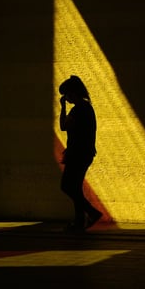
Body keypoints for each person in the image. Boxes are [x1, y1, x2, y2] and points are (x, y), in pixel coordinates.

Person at [58, 74, 103, 232]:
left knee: (67, 186)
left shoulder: (79, 110)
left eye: (67, 94)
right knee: (75, 187)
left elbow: (63, 126)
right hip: (84, 153)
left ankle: (91, 212)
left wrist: (63, 108)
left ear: (74, 92)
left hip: (78, 154)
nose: (66, 98)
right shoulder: (86, 108)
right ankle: (79, 222)